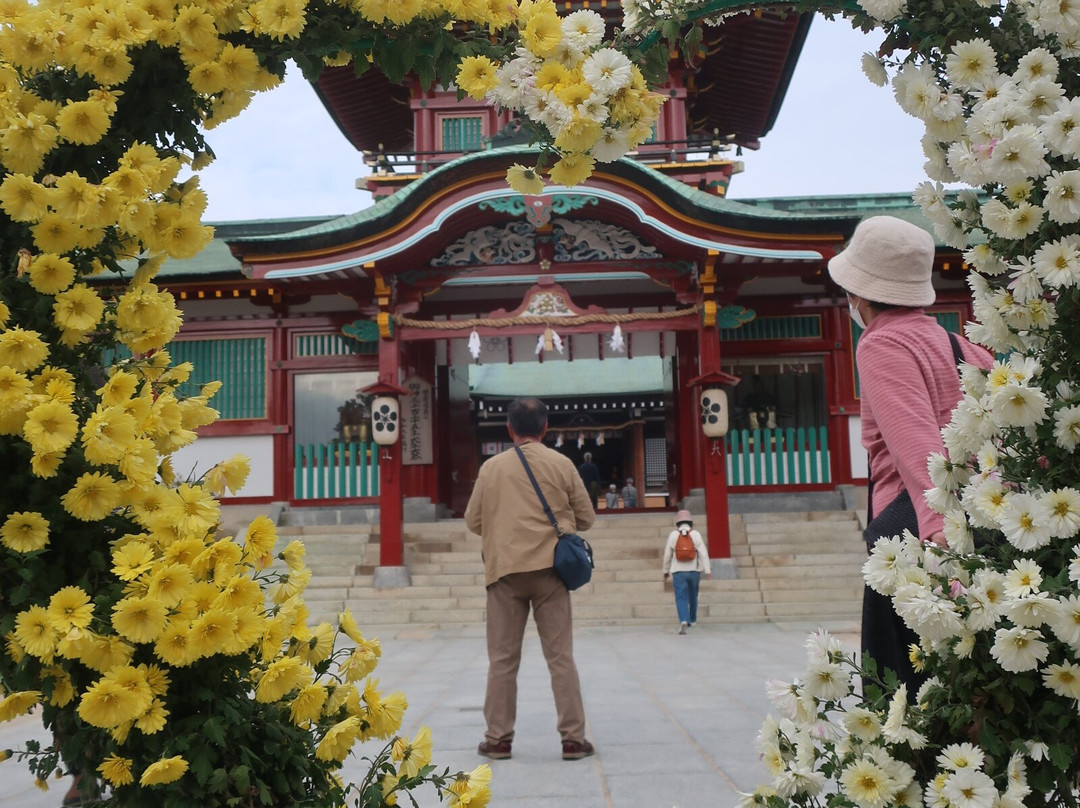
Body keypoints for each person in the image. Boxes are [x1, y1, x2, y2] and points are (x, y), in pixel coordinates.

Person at [827, 215, 993, 693]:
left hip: (918, 528)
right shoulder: (961, 346)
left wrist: (942, 541)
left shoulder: (880, 343)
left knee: (901, 694)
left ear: (860, 293)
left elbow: (918, 448)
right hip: (983, 516)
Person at [465, 397, 597, 761]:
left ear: (509, 429)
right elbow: (586, 519)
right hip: (551, 572)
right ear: (545, 428)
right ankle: (573, 739)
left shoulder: (491, 469)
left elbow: (472, 521)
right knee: (561, 658)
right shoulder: (562, 463)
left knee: (502, 660)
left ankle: (498, 739)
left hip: (504, 572)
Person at [662, 510, 711, 634]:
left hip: (678, 572)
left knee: (680, 597)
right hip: (694, 571)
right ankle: (692, 619)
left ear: (678, 524)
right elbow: (703, 553)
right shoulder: (696, 534)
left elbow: (667, 555)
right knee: (693, 595)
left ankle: (684, 619)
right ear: (690, 522)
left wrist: (665, 571)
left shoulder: (673, 535)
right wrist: (707, 570)